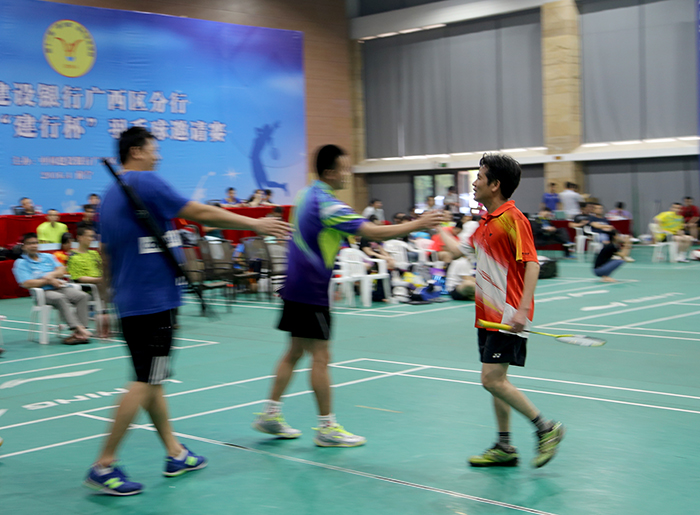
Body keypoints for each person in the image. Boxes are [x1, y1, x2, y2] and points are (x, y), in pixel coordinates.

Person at [84, 127, 290, 496]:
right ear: (136, 151)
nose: (158, 156)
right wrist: (254, 222)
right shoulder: (144, 182)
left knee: (153, 378)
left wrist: (104, 306)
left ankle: (175, 453)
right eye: (153, 149)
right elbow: (199, 212)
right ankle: (104, 464)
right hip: (154, 303)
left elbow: (107, 255)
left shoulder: (111, 196)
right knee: (145, 380)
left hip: (131, 304)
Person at [252, 144, 446, 447]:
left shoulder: (305, 195)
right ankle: (326, 428)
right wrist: (419, 224)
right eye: (344, 168)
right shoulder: (328, 204)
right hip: (311, 289)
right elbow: (373, 232)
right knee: (321, 356)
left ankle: (270, 414)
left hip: (295, 285)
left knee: (295, 351)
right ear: (330, 172)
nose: (347, 173)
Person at [438, 153, 564, 468]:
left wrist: (522, 310)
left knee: (491, 380)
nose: (474, 183)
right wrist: (437, 226)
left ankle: (545, 428)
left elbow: (532, 263)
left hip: (507, 314)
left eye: (479, 177)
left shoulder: (513, 218)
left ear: (495, 185)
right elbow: (456, 252)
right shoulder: (485, 222)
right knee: (497, 382)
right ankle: (504, 446)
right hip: (486, 315)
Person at [13, 232, 91, 344]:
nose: (33, 246)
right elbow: (26, 283)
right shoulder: (21, 263)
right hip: (42, 292)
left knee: (82, 296)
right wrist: (48, 280)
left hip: (59, 287)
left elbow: (61, 270)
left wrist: (50, 276)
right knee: (59, 298)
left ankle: (78, 335)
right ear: (24, 246)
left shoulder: (48, 257)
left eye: (35, 243)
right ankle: (79, 329)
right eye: (30, 243)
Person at [67, 227, 109, 338]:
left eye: (93, 237)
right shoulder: (73, 256)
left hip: (101, 284)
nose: (91, 239)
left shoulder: (94, 253)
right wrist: (98, 280)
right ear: (80, 238)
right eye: (89, 236)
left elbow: (103, 268)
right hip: (87, 288)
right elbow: (78, 278)